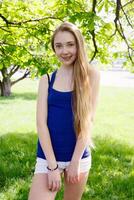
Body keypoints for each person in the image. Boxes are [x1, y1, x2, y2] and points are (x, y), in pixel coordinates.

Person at [28, 21, 100, 200]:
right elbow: (41, 124)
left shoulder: (91, 76)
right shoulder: (46, 79)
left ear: (78, 45)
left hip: (78, 157)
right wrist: (52, 167)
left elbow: (87, 122)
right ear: (53, 49)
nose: (64, 51)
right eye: (58, 46)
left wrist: (75, 162)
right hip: (48, 158)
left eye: (70, 44)